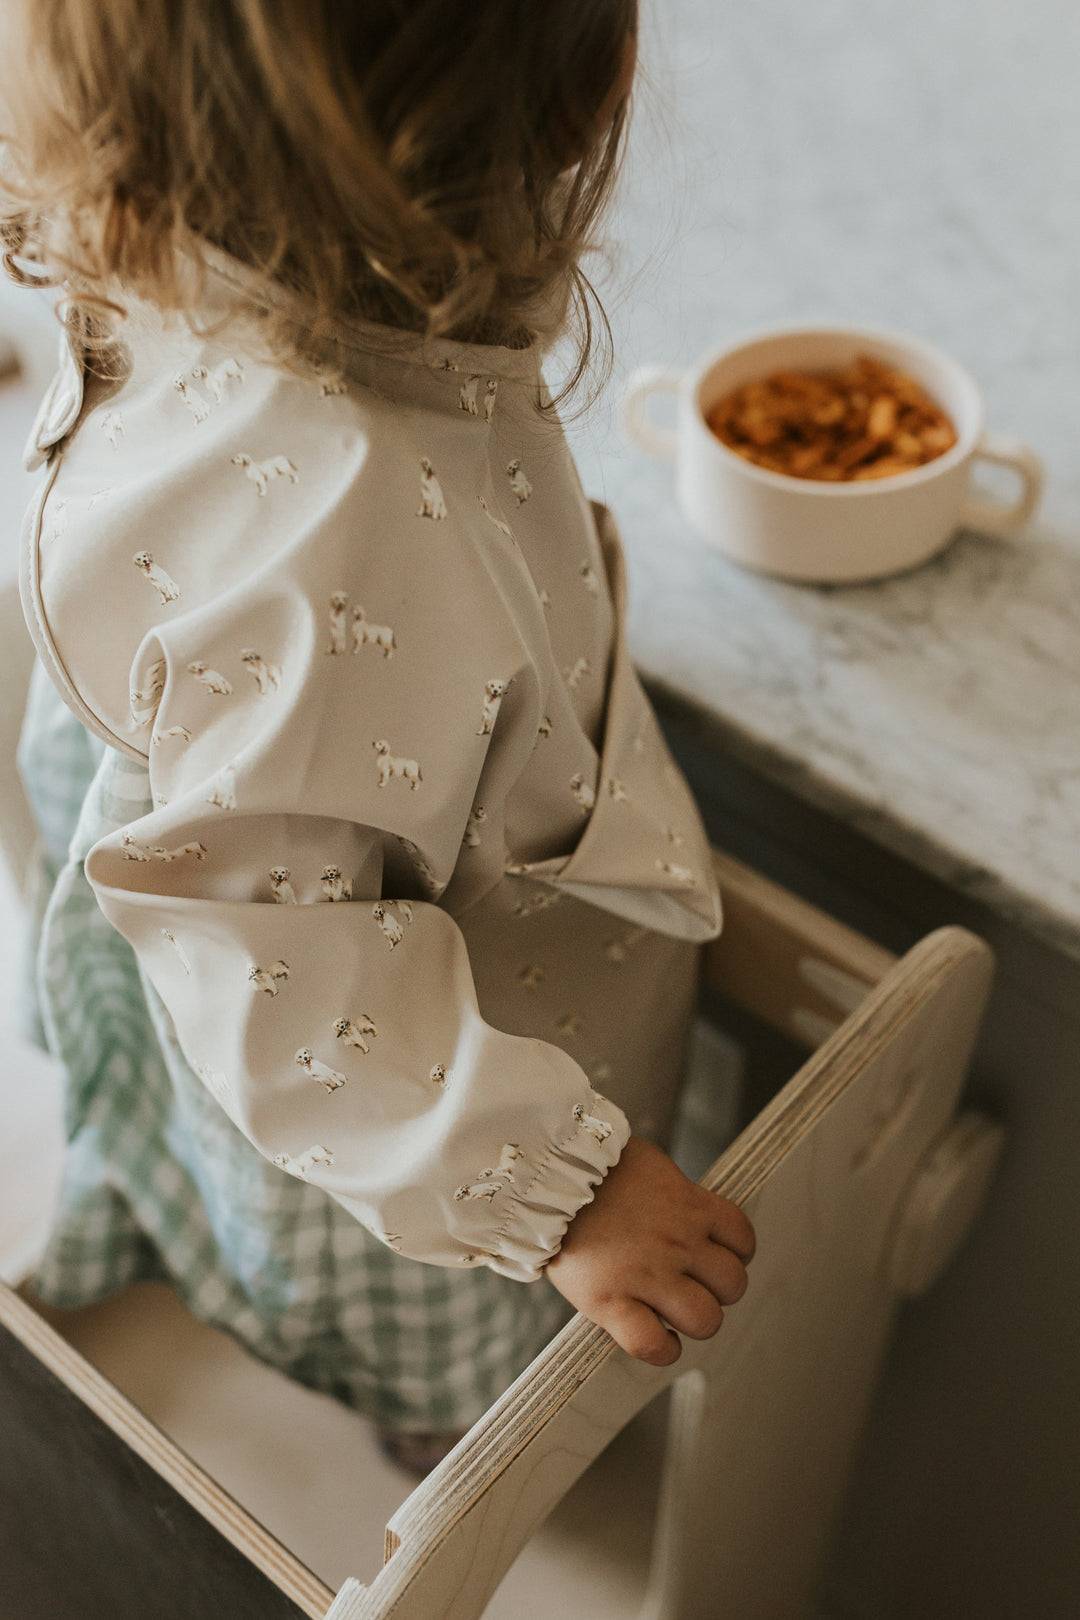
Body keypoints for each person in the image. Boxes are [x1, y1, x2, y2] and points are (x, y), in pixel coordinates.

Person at [2, 0, 754, 1475]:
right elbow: (287, 980)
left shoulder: (167, 247)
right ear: (584, 98)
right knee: (445, 1330)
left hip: (259, 809)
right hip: (395, 1032)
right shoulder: (328, 515)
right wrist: (558, 1192)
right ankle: (430, 1425)